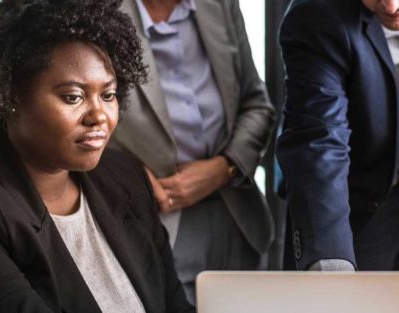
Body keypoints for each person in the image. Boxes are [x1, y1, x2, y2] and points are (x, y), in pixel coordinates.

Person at [0, 0, 193, 312]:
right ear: (11, 95)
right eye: (73, 97)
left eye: (108, 94)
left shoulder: (125, 176)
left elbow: (174, 306)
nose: (99, 115)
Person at [277, 0, 399, 271]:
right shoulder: (316, 13)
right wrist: (330, 263)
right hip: (353, 208)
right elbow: (318, 142)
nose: (392, 6)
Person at [112, 0, 276, 302]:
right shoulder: (99, 10)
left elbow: (257, 105)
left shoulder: (221, 5)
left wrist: (225, 166)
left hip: (238, 216)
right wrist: (129, 176)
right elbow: (74, 122)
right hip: (152, 219)